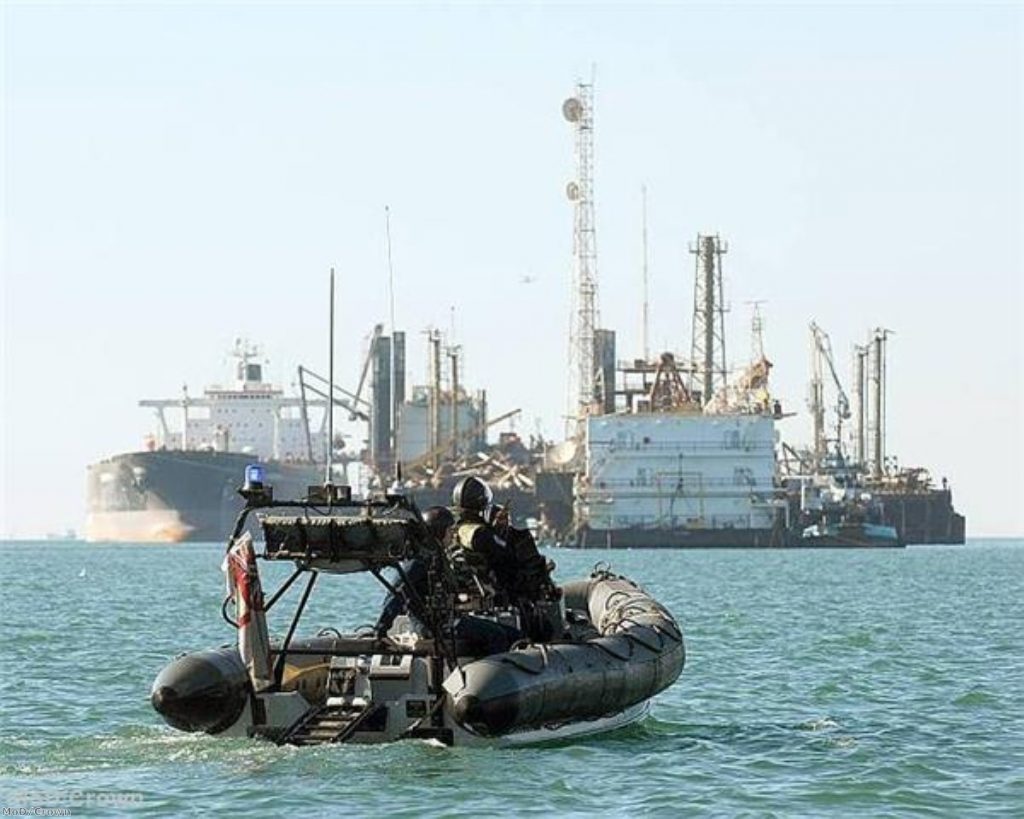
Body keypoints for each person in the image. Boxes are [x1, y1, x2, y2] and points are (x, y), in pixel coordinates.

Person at [373, 505, 454, 637]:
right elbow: (398, 590)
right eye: (450, 530)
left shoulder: (436, 556)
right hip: (433, 625)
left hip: (443, 619)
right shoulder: (421, 559)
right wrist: (381, 629)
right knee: (497, 635)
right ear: (440, 531)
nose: (453, 535)